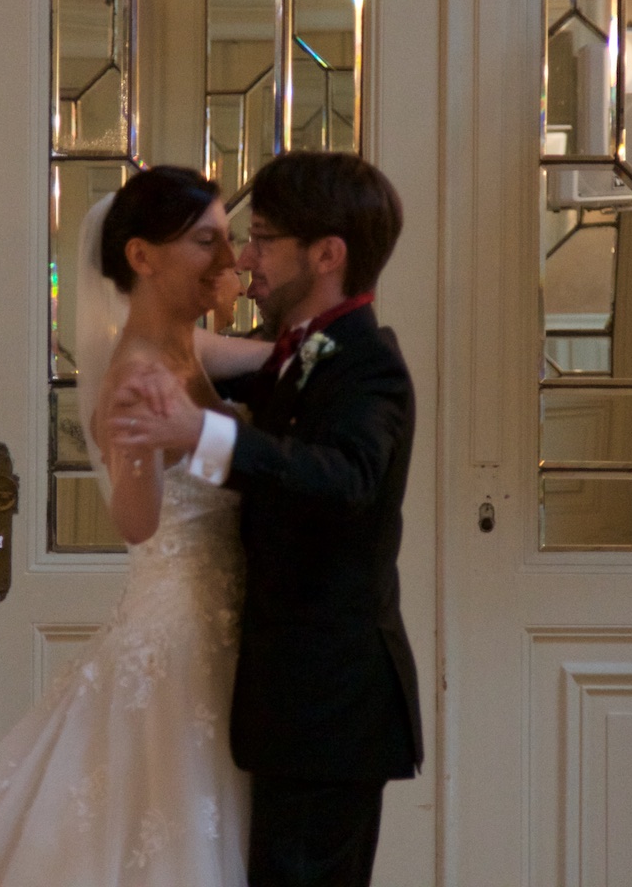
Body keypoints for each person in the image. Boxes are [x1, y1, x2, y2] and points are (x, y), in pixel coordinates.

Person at [0, 166, 271, 887]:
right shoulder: (134, 374)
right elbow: (138, 523)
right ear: (143, 257)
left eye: (229, 238)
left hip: (229, 621)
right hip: (180, 634)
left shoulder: (192, 348)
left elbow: (281, 365)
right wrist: (146, 452)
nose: (229, 257)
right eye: (205, 241)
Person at [110, 151, 423, 887]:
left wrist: (200, 433)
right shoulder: (295, 354)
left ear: (326, 255)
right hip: (288, 708)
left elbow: (345, 479)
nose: (243, 260)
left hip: (329, 710)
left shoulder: (369, 366)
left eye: (262, 239)